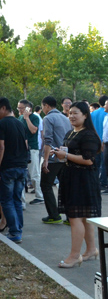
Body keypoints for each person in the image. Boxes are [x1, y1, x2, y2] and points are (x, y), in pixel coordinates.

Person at [52, 101, 102, 268]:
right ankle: (91, 250)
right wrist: (60, 154)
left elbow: (88, 160)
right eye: (70, 113)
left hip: (84, 180)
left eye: (76, 113)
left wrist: (65, 156)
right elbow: (71, 153)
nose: (71, 116)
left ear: (85, 115)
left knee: (75, 218)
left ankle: (75, 256)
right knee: (84, 218)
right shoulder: (71, 132)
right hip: (72, 178)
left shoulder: (88, 135)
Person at [0, 97, 29, 243]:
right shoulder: (20, 123)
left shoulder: (1, 124)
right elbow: (26, 145)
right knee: (17, 200)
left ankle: (14, 232)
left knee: (7, 200)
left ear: (3, 108)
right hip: (22, 166)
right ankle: (18, 230)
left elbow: (0, 147)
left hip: (8, 167)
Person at [40, 96, 72, 224]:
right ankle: (70, 217)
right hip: (65, 157)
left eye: (43, 106)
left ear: (47, 105)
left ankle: (54, 215)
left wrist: (46, 160)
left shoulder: (48, 118)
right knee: (65, 187)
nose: (42, 109)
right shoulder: (65, 118)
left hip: (53, 157)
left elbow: (48, 140)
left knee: (46, 185)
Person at [17, 99, 44, 204]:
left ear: (29, 108)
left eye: (22, 108)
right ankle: (22, 200)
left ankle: (39, 196)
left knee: (34, 173)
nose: (19, 110)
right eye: (18, 108)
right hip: (21, 148)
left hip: (32, 148)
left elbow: (33, 130)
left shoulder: (34, 117)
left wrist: (27, 118)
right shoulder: (19, 118)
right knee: (23, 174)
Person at [91, 95, 108, 189]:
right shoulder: (106, 115)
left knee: (95, 163)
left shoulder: (93, 113)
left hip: (95, 142)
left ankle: (95, 181)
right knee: (104, 164)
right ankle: (103, 182)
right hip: (104, 143)